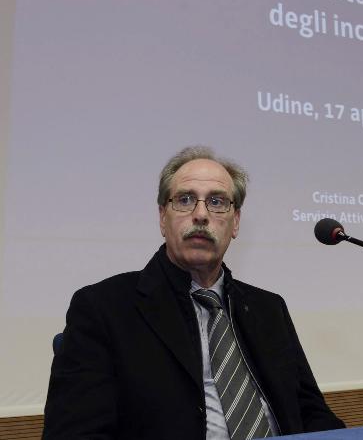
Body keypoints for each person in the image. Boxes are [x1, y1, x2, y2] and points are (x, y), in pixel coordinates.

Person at [43, 146, 345, 438]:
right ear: (163, 217)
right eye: (186, 200)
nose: (201, 215)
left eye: (217, 202)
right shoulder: (103, 308)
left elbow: (313, 414)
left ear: (235, 222)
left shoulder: (268, 308)